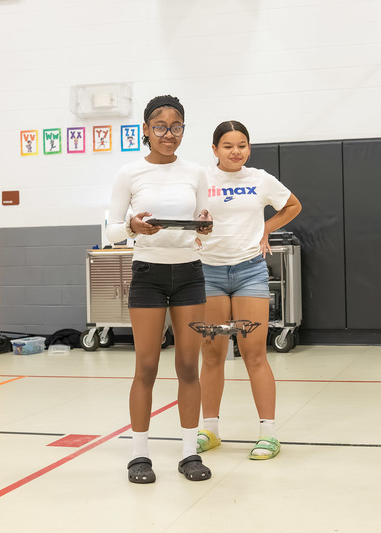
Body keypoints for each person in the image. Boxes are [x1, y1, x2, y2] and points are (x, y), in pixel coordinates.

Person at [106, 95, 213, 484]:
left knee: (188, 366)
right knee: (147, 366)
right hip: (148, 273)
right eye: (161, 126)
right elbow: (111, 230)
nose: (170, 133)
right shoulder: (129, 174)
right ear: (147, 130)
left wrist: (206, 225)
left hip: (189, 273)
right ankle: (139, 455)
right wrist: (133, 227)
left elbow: (203, 221)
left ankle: (189, 452)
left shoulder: (197, 172)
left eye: (177, 126)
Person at [196, 120, 302, 460]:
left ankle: (268, 433)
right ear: (215, 150)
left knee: (254, 353)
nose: (235, 151)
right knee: (213, 354)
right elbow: (186, 216)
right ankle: (209, 430)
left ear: (249, 148)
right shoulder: (200, 179)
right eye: (227, 145)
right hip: (208, 274)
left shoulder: (260, 179)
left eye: (242, 145)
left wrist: (264, 230)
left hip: (249, 273)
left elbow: (293, 205)